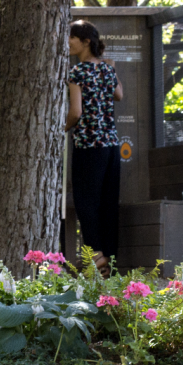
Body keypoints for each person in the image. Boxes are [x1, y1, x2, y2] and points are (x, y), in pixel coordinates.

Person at [65, 19, 123, 271]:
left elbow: (75, 112)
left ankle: (95, 257)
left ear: (85, 42)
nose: (68, 43)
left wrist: (61, 129)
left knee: (86, 202)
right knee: (108, 202)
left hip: (88, 145)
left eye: (71, 38)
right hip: (111, 144)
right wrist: (109, 69)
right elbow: (119, 94)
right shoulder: (108, 71)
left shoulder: (76, 72)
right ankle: (109, 257)